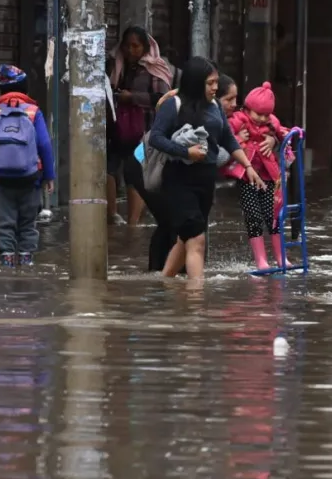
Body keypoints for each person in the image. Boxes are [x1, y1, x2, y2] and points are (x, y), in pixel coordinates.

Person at [148, 57, 266, 288]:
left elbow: (228, 140)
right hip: (179, 178)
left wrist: (249, 167)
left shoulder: (215, 108)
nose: (215, 87)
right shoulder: (174, 105)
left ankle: (163, 285)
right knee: (197, 239)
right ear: (194, 83)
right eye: (210, 83)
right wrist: (185, 151)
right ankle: (196, 300)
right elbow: (156, 137)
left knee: (186, 239)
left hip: (205, 179)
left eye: (215, 82)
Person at [0, 64, 56, 267]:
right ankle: (26, 261)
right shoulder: (33, 111)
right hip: (31, 179)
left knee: (5, 220)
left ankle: (6, 262)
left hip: (1, 180)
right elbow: (44, 145)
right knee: (28, 223)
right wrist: (49, 175)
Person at [107, 26, 176, 226]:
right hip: (118, 128)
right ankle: (112, 215)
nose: (131, 50)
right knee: (109, 169)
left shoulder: (155, 69)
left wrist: (133, 97)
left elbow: (163, 98)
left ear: (145, 47)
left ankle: (133, 222)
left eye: (136, 46)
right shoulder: (119, 66)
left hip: (143, 130)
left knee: (134, 173)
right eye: (127, 46)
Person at [222, 82, 294, 270]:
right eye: (258, 114)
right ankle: (261, 260)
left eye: (266, 114)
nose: (262, 119)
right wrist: (240, 139)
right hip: (247, 177)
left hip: (270, 176)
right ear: (247, 108)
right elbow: (225, 137)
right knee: (253, 217)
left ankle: (281, 257)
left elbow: (283, 133)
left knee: (274, 216)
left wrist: (280, 138)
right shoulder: (239, 119)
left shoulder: (271, 122)